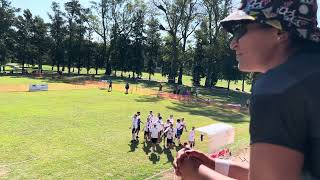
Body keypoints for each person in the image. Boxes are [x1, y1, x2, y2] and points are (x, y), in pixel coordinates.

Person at [174, 0, 320, 180]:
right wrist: (213, 165)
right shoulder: (308, 75)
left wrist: (192, 170)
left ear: (280, 30)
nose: (232, 43)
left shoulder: (279, 87)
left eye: (241, 29)